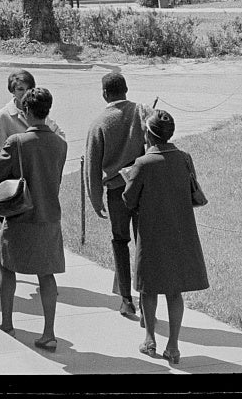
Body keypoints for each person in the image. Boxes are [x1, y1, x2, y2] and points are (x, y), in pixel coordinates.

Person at [123, 109, 209, 365]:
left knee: (149, 289)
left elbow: (129, 199)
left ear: (148, 134)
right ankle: (173, 346)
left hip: (151, 233)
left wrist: (128, 177)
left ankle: (149, 339)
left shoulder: (142, 163)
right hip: (180, 230)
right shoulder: (184, 158)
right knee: (174, 290)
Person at [0, 87, 68, 347]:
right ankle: (49, 333)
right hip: (49, 216)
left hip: (20, 215)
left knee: (7, 266)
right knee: (46, 275)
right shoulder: (61, 144)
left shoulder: (16, 142)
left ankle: (8, 324)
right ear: (48, 110)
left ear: (25, 111)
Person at [85, 72, 148, 318]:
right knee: (144, 242)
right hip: (142, 186)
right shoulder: (141, 112)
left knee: (120, 242)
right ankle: (145, 297)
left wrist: (94, 197)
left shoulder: (99, 122)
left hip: (116, 191)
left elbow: (92, 164)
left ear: (104, 94)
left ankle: (125, 299)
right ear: (126, 89)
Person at [0, 70, 66, 152]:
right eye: (20, 89)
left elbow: (59, 136)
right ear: (12, 91)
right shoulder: (4, 116)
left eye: (29, 89)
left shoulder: (38, 108)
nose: (25, 93)